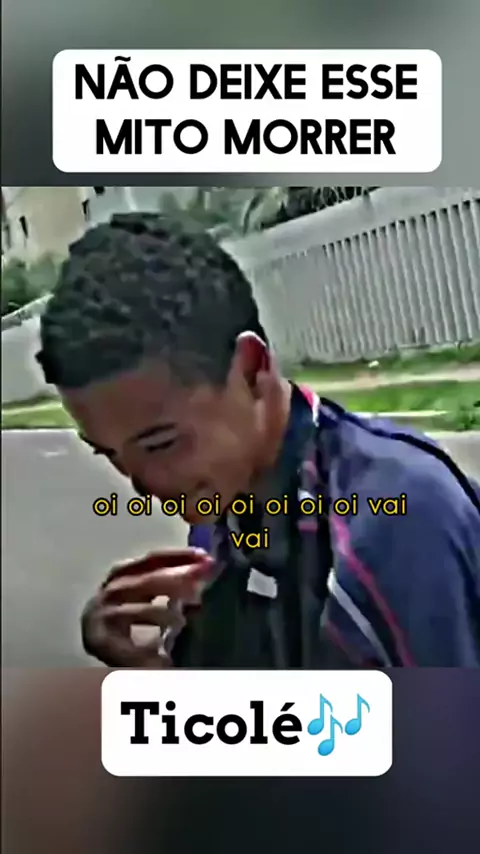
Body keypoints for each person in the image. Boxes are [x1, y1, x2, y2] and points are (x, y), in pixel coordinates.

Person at [36, 212, 480, 668]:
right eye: (111, 454)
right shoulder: (222, 508)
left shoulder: (399, 519)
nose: (142, 485)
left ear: (251, 368)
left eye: (160, 444)